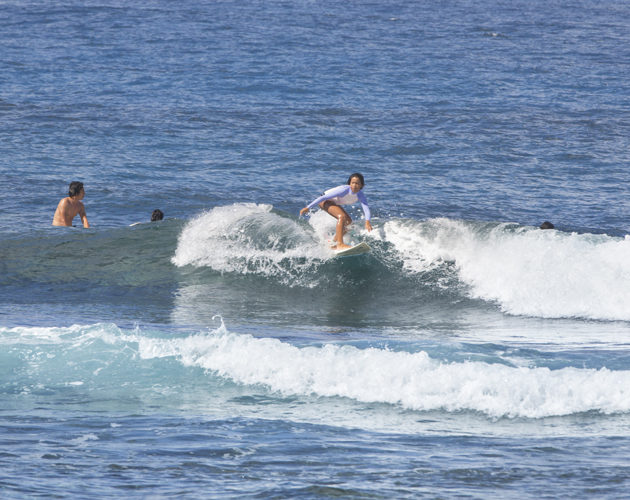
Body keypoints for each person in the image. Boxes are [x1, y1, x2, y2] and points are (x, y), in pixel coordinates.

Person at [300, 173, 372, 249]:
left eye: (357, 183)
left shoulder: (360, 195)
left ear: (362, 185)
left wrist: (367, 221)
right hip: (324, 201)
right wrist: (308, 207)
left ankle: (333, 242)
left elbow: (366, 208)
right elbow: (323, 197)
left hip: (333, 202)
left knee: (349, 223)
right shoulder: (343, 190)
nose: (354, 185)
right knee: (342, 216)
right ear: (349, 184)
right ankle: (340, 244)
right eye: (352, 183)